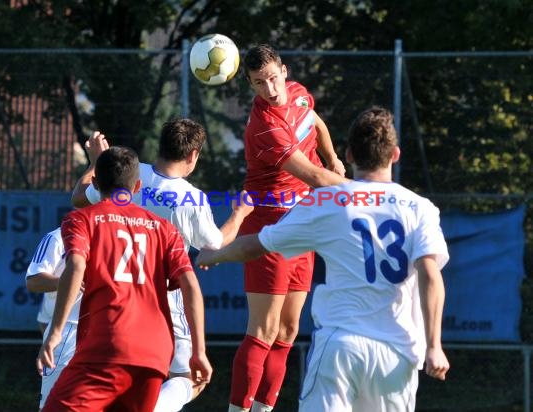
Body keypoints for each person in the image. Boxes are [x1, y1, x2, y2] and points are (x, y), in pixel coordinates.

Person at [197, 106, 450, 412]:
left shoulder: (329, 200)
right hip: (398, 353)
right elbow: (430, 275)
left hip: (341, 346)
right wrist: (435, 346)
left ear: (349, 155)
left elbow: (259, 244)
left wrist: (217, 254)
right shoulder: (420, 207)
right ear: (394, 155)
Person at [71, 118, 253, 411]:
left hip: (114, 291)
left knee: (114, 372)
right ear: (193, 155)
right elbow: (215, 244)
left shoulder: (130, 174)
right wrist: (240, 214)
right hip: (163, 295)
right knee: (190, 378)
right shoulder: (192, 198)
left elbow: (80, 198)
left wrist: (96, 164)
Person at [37, 146, 212, 411]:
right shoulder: (165, 229)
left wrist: (55, 333)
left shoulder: (82, 219)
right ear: (137, 185)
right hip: (155, 353)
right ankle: (181, 387)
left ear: (95, 182)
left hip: (106, 345)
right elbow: (190, 285)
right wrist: (199, 350)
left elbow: (75, 266)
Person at [227, 44, 347, 412]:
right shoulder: (264, 126)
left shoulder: (296, 93)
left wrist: (334, 157)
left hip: (303, 224)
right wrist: (361, 192)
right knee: (262, 330)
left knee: (289, 330)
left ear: (284, 70)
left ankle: (264, 408)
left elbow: (315, 120)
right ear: (250, 84)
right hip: (270, 225)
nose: (271, 88)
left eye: (274, 77)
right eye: (259, 83)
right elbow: (309, 174)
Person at [26, 228, 82, 411]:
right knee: (54, 406)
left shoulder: (117, 233)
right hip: (68, 331)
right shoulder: (57, 237)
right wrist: (66, 281)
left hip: (110, 332)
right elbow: (33, 280)